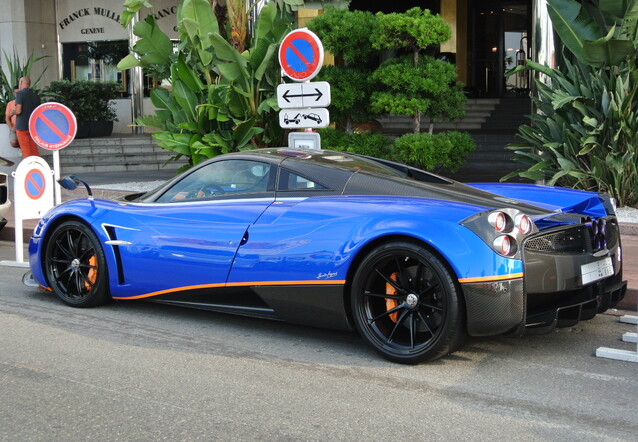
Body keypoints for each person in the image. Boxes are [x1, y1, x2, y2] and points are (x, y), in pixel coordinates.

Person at [11, 76, 40, 158]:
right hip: (33, 126)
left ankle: (29, 169)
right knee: (34, 150)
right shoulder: (35, 95)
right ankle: (37, 167)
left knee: (26, 151)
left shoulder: (20, 94)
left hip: (22, 126)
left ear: (21, 83)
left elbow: (18, 111)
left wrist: (13, 112)